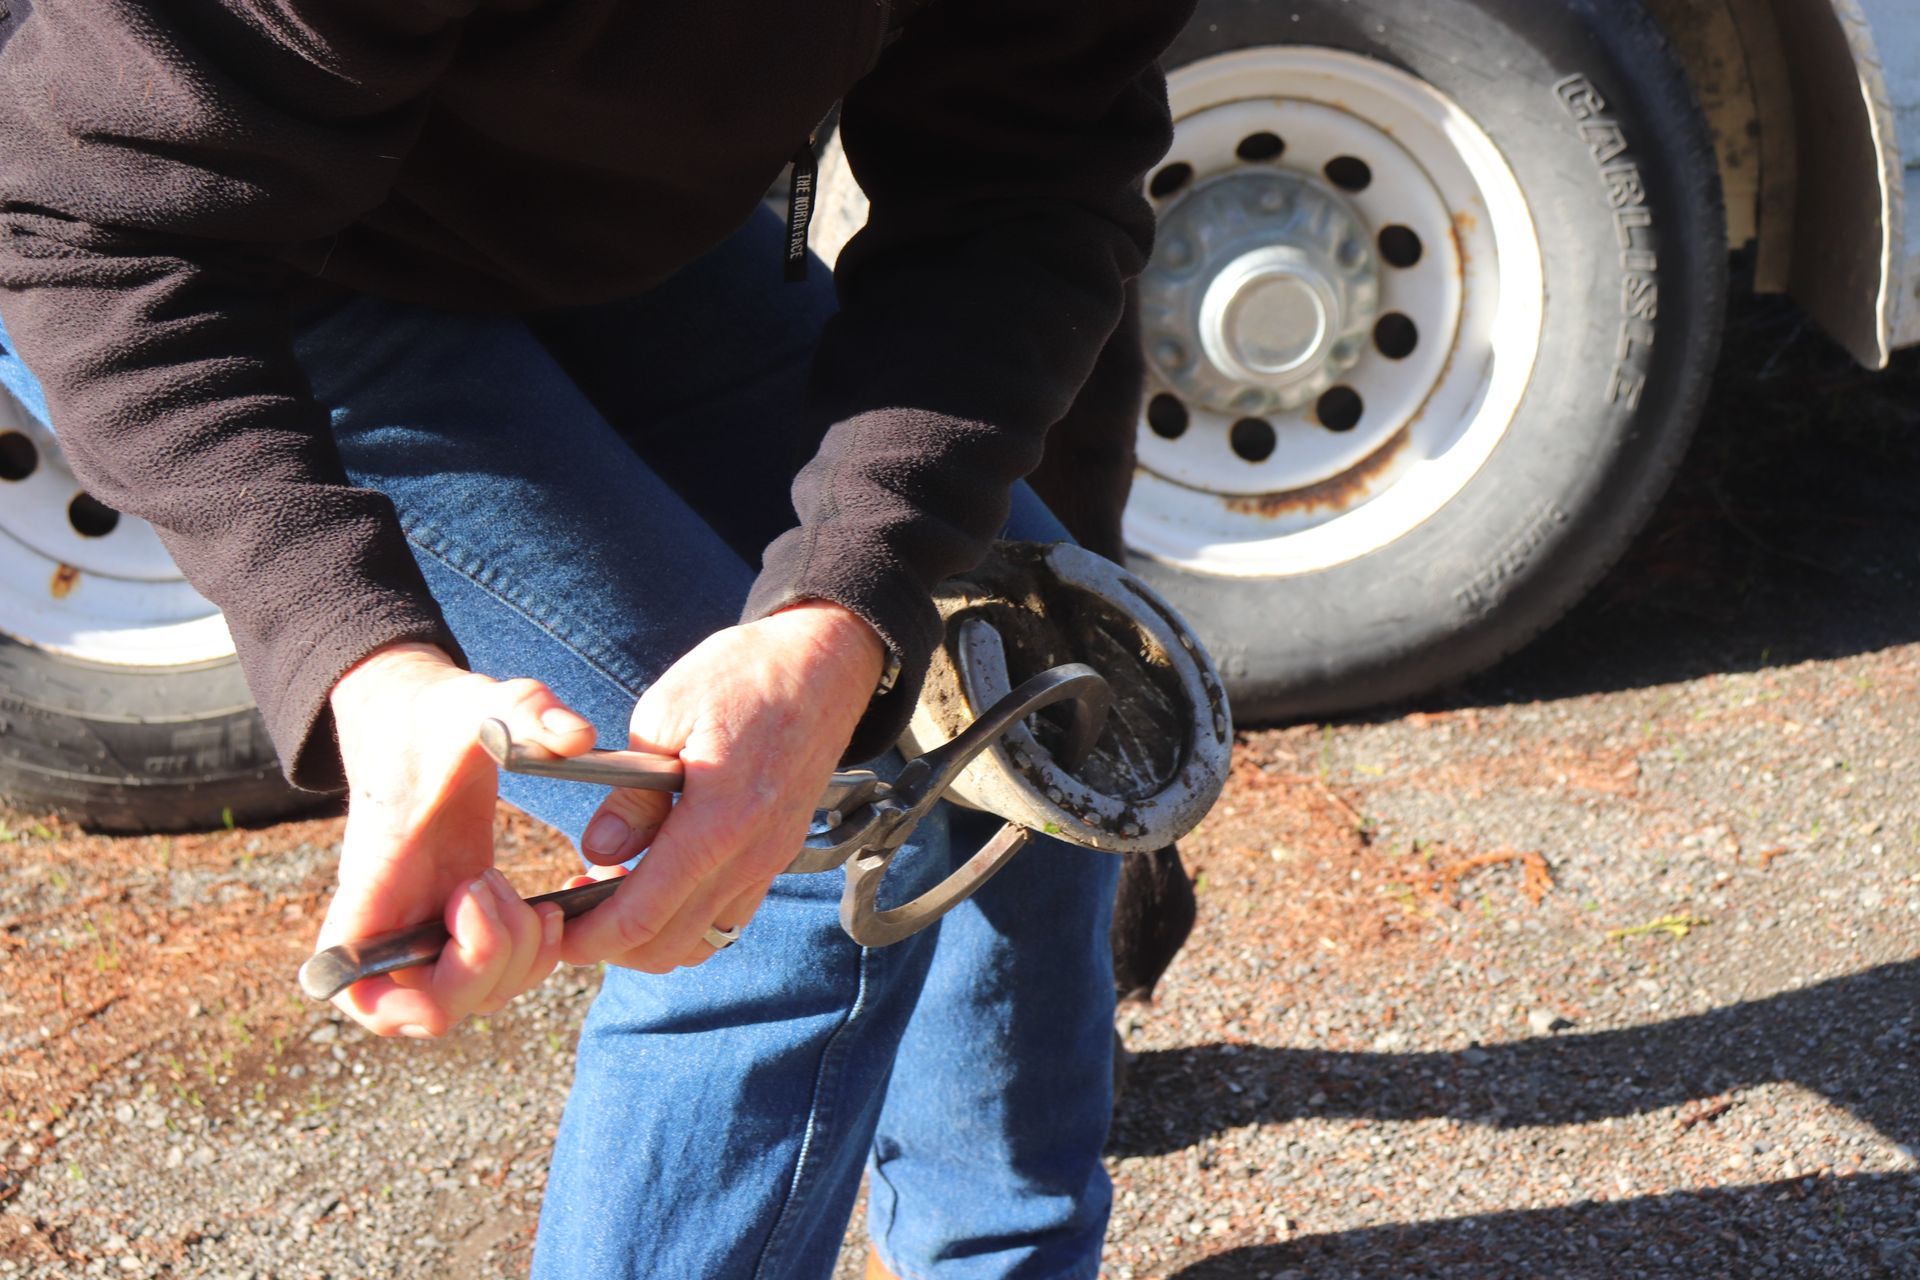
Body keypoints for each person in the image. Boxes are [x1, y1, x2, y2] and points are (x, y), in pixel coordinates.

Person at [0, 1, 1194, 1274]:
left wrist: (856, 595)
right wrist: (367, 659)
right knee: (781, 854)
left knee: (1020, 693)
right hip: (200, 246)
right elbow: (88, 235)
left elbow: (1030, 177)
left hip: (590, 227)